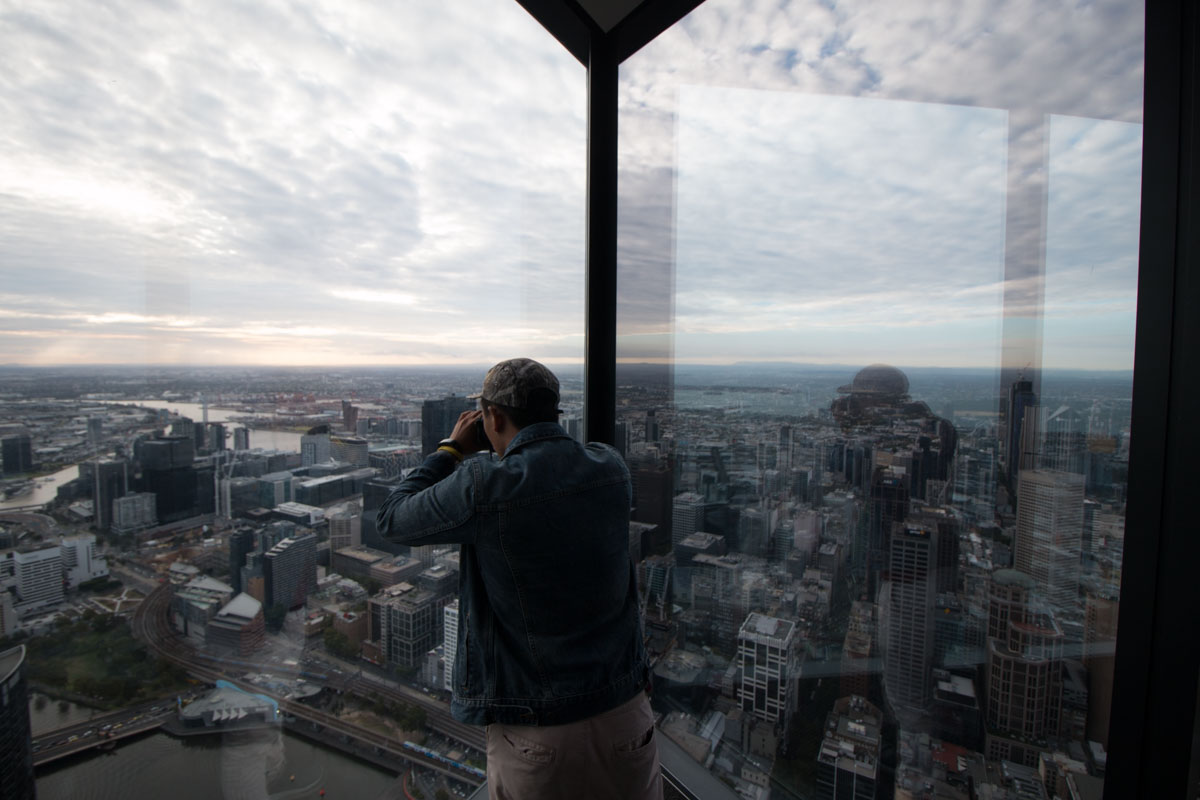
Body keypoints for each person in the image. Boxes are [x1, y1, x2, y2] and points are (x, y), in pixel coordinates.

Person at [376, 357, 660, 800]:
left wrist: (450, 449)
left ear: (493, 416)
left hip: (538, 732)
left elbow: (392, 518)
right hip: (626, 717)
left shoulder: (486, 485)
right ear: (554, 412)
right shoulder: (611, 468)